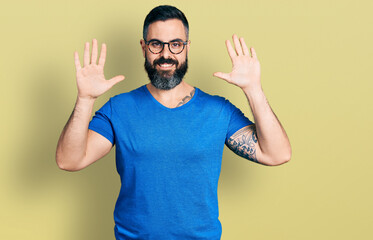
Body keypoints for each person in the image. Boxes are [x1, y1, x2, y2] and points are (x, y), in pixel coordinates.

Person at [56, 5, 291, 240]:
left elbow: (277, 154)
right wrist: (85, 100)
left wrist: (253, 90)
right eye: (156, 44)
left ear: (187, 47)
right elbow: (69, 160)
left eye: (176, 44)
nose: (166, 54)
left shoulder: (218, 111)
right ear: (144, 47)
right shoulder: (120, 108)